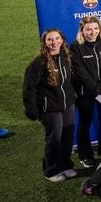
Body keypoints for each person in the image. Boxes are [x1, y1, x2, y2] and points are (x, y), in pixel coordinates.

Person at [23, 28, 78, 182]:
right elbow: (29, 88)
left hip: (68, 105)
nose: (54, 42)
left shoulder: (66, 56)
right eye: (50, 40)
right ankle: (51, 170)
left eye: (57, 39)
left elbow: (70, 81)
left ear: (62, 40)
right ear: (45, 42)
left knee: (67, 136)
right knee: (54, 138)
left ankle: (66, 165)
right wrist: (31, 110)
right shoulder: (39, 62)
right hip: (50, 108)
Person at [69, 15, 101, 168]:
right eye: (88, 29)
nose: (93, 32)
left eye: (96, 28)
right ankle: (85, 154)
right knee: (84, 123)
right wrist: (95, 88)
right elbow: (79, 71)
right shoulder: (75, 46)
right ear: (82, 30)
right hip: (85, 92)